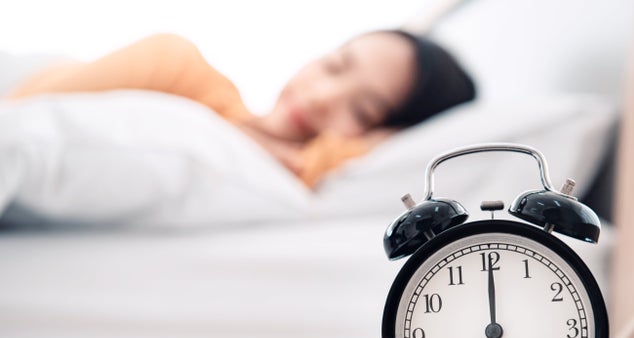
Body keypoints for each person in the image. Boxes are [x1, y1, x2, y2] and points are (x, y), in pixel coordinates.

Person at [5, 31, 476, 188]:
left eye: (365, 111)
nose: (320, 98)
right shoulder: (181, 69)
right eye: (334, 66)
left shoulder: (293, 176)